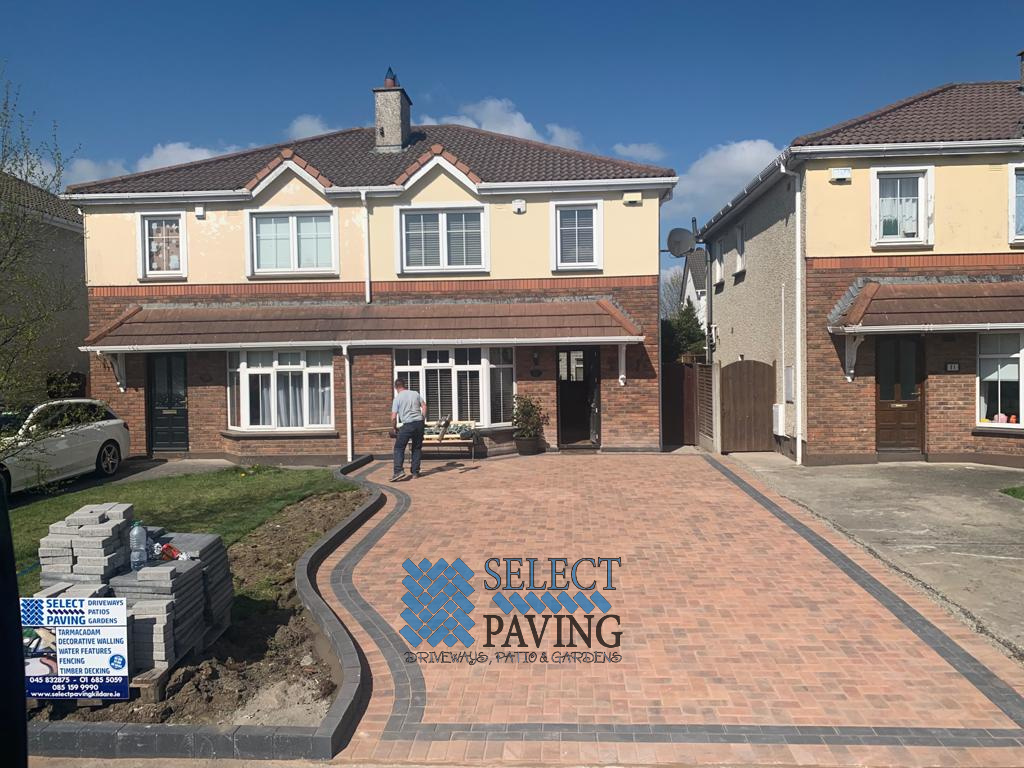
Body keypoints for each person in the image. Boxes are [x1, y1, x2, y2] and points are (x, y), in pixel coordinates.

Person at [390, 377, 427, 481]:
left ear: (395, 387)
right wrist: (422, 419)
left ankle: (398, 471)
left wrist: (394, 428)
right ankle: (415, 472)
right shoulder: (415, 393)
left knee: (399, 448)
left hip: (407, 425)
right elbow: (424, 406)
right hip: (419, 424)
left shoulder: (397, 399)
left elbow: (393, 417)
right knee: (417, 448)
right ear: (404, 385)